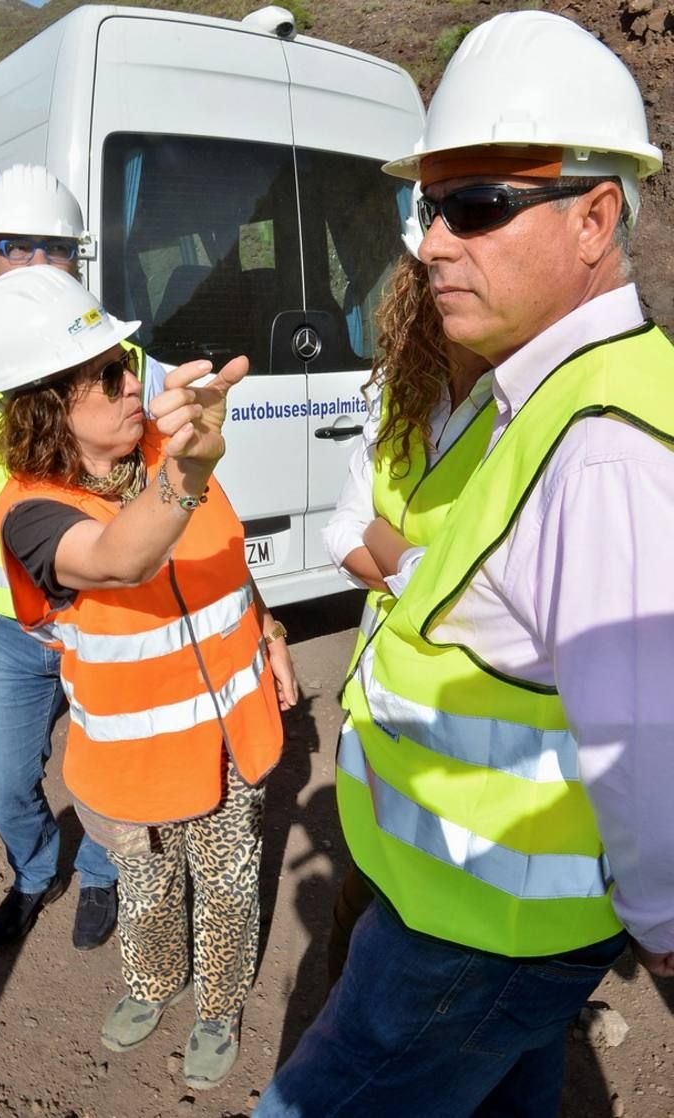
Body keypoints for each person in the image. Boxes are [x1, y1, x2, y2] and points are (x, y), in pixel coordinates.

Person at [255, 11, 674, 1117]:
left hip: (474, 944)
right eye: (425, 205)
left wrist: (667, 933)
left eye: (476, 205)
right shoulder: (528, 395)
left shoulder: (603, 449)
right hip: (467, 913)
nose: (430, 240)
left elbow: (652, 739)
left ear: (596, 219)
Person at [0, 264, 298, 1089]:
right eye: (109, 373)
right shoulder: (31, 510)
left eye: (127, 361)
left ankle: (219, 1007)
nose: (132, 381)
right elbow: (118, 559)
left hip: (229, 732)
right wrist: (185, 474)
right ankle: (152, 987)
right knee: (148, 885)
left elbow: (224, 553)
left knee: (226, 886)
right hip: (131, 758)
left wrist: (272, 628)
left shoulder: (166, 447)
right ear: (50, 403)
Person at [0, 164, 166, 950]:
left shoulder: (115, 367)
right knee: (7, 786)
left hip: (103, 622)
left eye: (55, 249)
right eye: (16, 247)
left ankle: (104, 879)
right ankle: (36, 871)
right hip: (15, 632)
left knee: (103, 776)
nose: (37, 265)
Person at [323, 247, 493, 985]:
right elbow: (342, 530)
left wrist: (393, 556)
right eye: (432, 278)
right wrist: (419, 570)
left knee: (452, 931)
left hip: (472, 728)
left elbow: (494, 603)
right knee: (361, 890)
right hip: (380, 697)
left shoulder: (532, 405)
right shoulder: (402, 391)